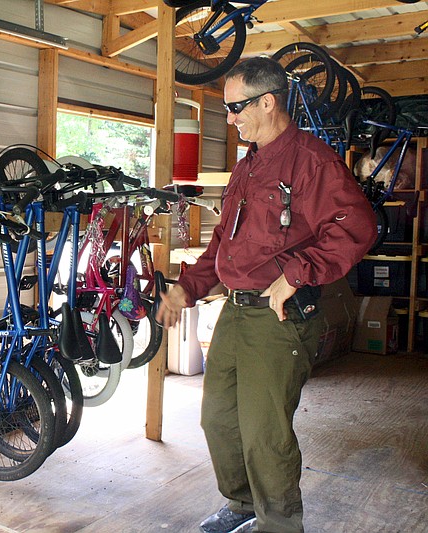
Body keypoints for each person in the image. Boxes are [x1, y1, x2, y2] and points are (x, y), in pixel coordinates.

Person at [156, 57, 377, 533]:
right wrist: (186, 289)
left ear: (268, 101)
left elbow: (358, 226)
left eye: (236, 107)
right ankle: (240, 506)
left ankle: (279, 525)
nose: (231, 118)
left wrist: (299, 272)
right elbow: (224, 245)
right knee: (218, 420)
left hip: (279, 318)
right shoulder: (248, 166)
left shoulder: (311, 161)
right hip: (235, 314)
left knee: (265, 434)